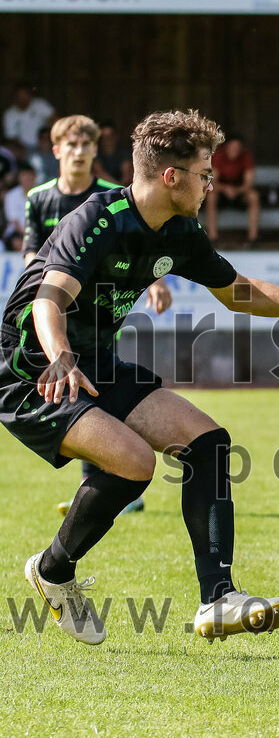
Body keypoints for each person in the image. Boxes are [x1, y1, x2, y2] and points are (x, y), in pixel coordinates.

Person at [3, 109, 279, 645]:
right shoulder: (98, 219)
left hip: (94, 360)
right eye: (204, 174)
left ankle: (218, 599)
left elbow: (239, 292)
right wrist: (60, 354)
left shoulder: (179, 231)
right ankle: (54, 570)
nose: (210, 185)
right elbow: (49, 298)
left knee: (207, 441)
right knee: (134, 463)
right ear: (171, 176)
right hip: (32, 367)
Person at [23, 115, 172, 518]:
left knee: (96, 388)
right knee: (71, 394)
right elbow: (32, 253)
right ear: (56, 150)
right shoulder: (38, 198)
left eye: (86, 145)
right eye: (71, 145)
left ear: (95, 150)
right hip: (57, 309)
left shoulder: (111, 195)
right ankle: (107, 481)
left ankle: (108, 483)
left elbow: (143, 245)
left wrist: (157, 282)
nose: (79, 152)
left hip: (100, 313)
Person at [206, 134, 261, 246]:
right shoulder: (219, 155)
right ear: (226, 147)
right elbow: (212, 181)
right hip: (222, 193)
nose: (235, 151)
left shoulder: (246, 156)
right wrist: (225, 189)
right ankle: (212, 237)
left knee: (254, 196)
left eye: (237, 148)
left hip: (240, 192)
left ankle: (253, 238)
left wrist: (236, 190)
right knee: (211, 196)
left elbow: (249, 183)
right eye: (232, 148)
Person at [3, 83, 55, 157]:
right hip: (23, 150)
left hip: (45, 146)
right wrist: (22, 149)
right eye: (20, 95)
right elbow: (11, 138)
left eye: (25, 94)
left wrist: (49, 139)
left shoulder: (41, 105)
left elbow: (54, 120)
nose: (22, 97)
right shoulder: (9, 114)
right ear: (15, 96)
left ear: (30, 94)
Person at [94, 121, 133, 185]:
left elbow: (127, 176)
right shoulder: (96, 153)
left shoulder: (124, 152)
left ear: (116, 136)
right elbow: (99, 173)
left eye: (111, 136)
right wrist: (118, 187)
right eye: (104, 137)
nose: (108, 140)